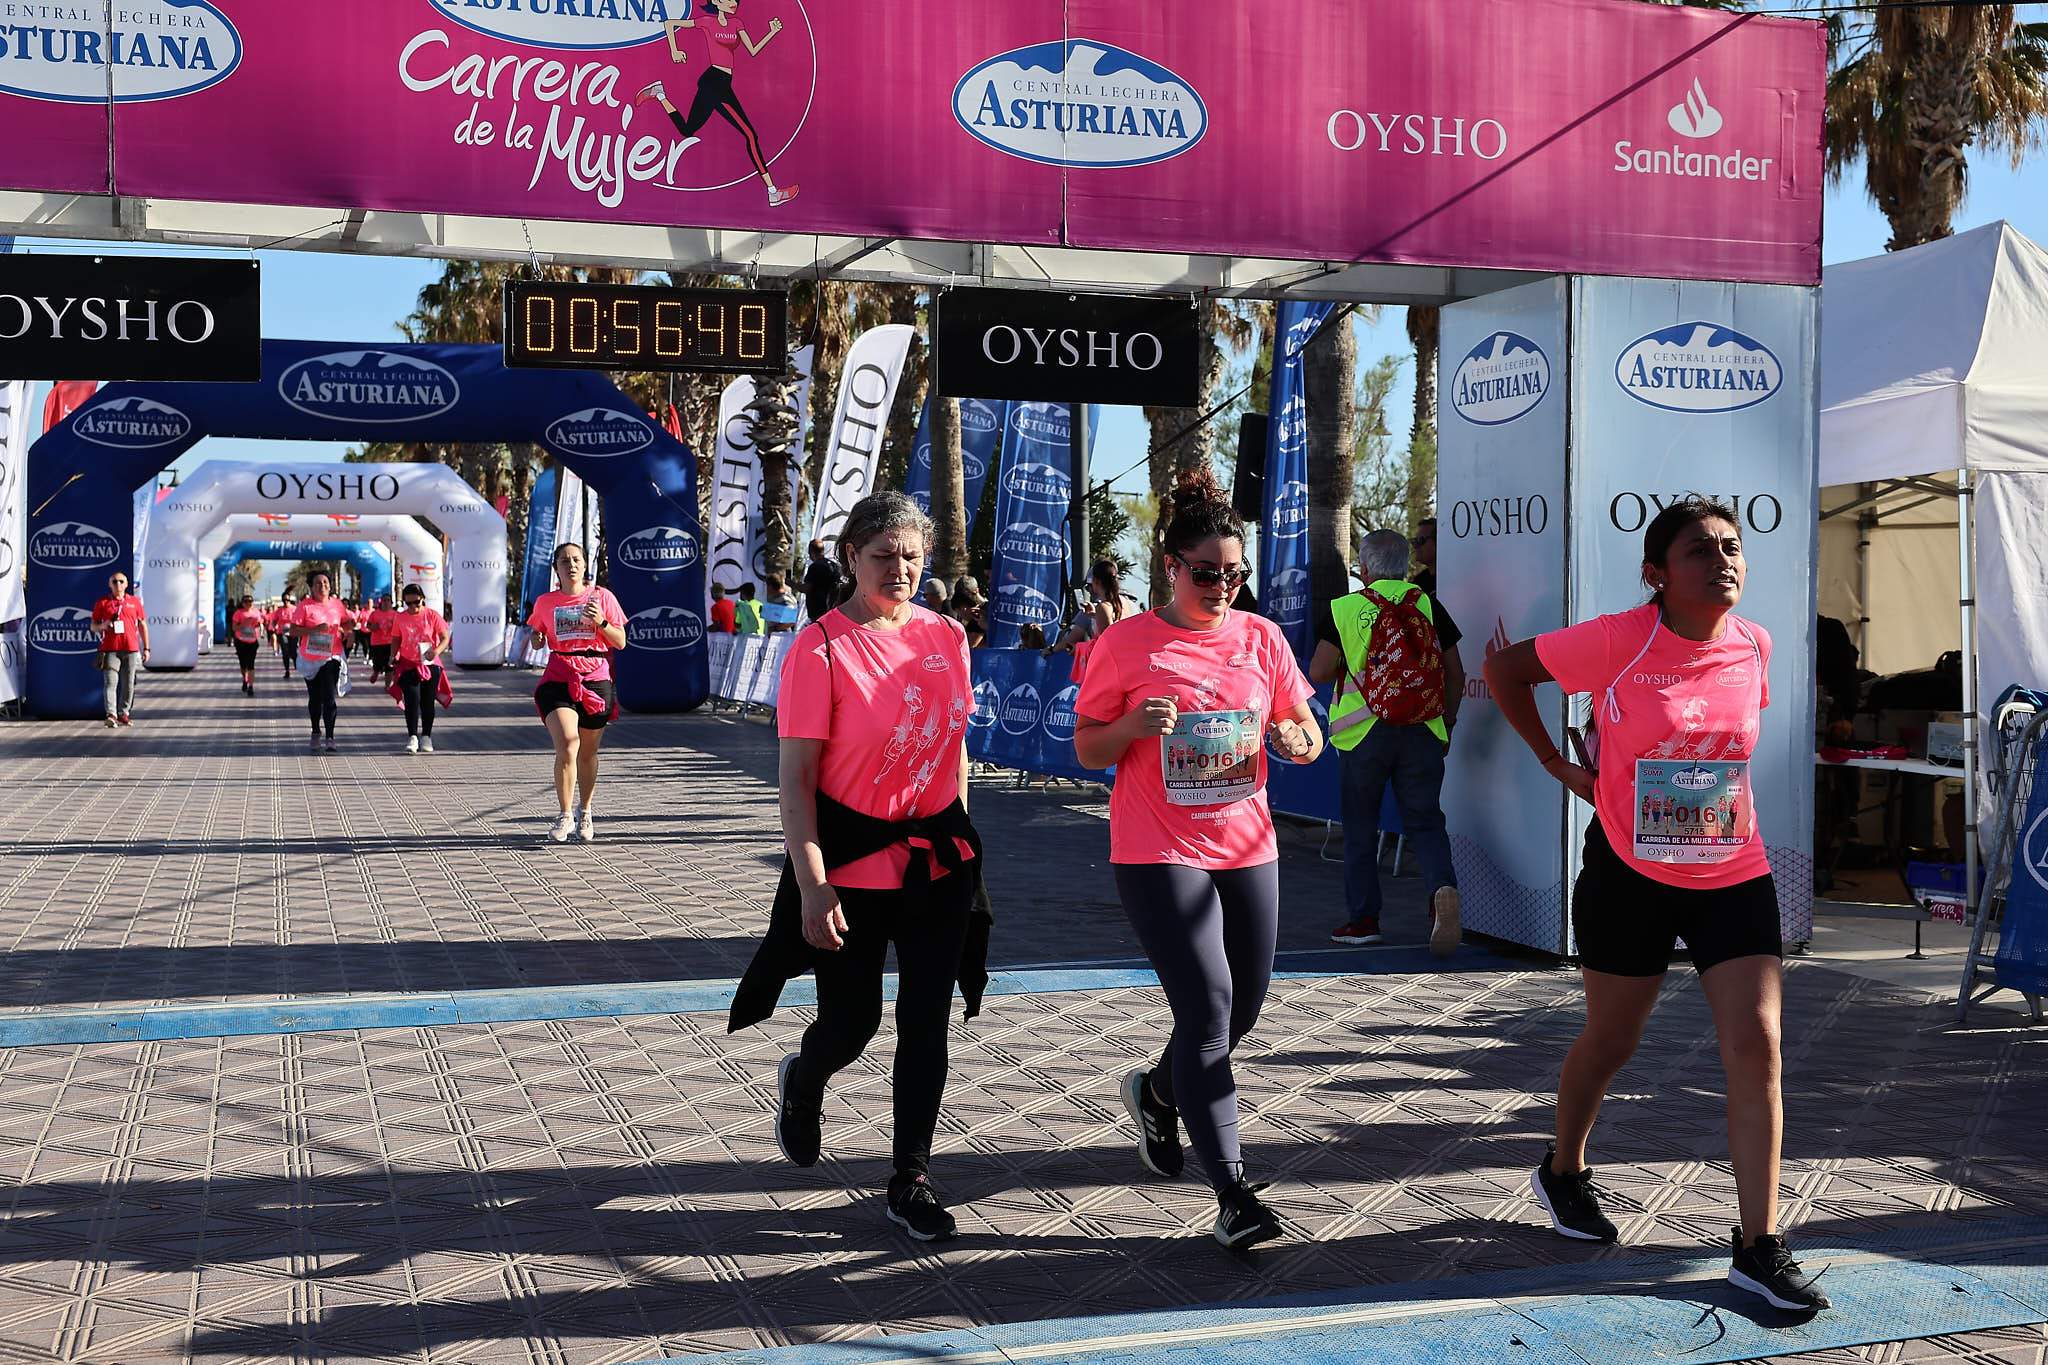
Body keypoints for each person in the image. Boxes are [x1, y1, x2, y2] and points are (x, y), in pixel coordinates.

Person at [1483, 495, 1828, 1314]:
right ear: (1656, 574)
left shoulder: (1756, 644)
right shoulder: (1617, 638)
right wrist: (1559, 766)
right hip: (1630, 870)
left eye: (1732, 547)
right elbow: (1505, 671)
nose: (1723, 561)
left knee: (1759, 1044)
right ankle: (1563, 1168)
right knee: (1612, 1039)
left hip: (1731, 867)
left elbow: (1721, 753)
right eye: (1700, 550)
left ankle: (1757, 1246)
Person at [1072, 468, 1322, 1251]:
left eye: (1234, 573)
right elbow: (1086, 748)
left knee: (1242, 1007)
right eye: (1206, 572)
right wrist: (1132, 728)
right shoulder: (1127, 643)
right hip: (1158, 849)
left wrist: (1296, 741)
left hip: (1248, 847)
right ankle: (1233, 1193)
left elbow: (1306, 731)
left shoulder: (1261, 638)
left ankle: (1155, 1089)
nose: (1222, 586)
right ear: (1172, 566)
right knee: (1209, 1011)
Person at [730, 490, 987, 1243]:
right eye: (884, 556)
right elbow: (796, 783)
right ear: (850, 558)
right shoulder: (822, 648)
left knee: (926, 1021)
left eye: (912, 555)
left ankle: (911, 1176)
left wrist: (959, 832)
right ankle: (804, 1078)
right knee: (853, 1023)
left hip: (939, 864)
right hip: (850, 870)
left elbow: (955, 746)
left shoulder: (947, 635)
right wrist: (813, 882)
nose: (901, 569)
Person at [1309, 530, 1463, 955]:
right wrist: (1446, 723)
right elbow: (1456, 673)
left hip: (1363, 736)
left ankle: (1363, 921)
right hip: (1423, 731)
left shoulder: (1345, 608)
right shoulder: (1429, 605)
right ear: (1406, 564)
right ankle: (1441, 893)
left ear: (1364, 569)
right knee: (1426, 823)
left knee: (1359, 827)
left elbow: (1320, 672)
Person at [637, 0, 800, 207]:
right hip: (714, 82)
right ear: (716, 1)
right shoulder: (707, 22)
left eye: (735, 0)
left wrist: (772, 32)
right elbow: (670, 24)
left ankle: (659, 94)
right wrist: (674, 50)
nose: (733, 3)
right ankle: (772, 192)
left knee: (687, 130)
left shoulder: (737, 24)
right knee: (750, 135)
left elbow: (753, 50)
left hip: (723, 84)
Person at [528, 542, 627, 843]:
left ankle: (585, 811)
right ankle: (564, 814)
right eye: (564, 561)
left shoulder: (602, 597)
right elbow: (535, 640)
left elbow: (620, 641)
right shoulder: (545, 602)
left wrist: (601, 622)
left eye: (576, 559)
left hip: (596, 676)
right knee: (568, 744)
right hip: (559, 675)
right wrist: (537, 636)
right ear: (556, 568)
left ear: (585, 565)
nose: (571, 565)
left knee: (587, 753)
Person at [387, 583, 451, 754]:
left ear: (423, 599)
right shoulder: (400, 617)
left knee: (427, 702)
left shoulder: (432, 615)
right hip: (408, 663)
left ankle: (427, 736)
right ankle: (413, 737)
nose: (413, 607)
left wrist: (436, 650)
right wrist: (393, 656)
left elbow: (445, 637)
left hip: (430, 664)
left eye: (416, 602)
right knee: (412, 700)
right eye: (408, 603)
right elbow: (395, 638)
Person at [291, 572, 350, 753]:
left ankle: (330, 737)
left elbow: (347, 622)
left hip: (332, 656)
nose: (322, 585)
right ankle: (316, 730)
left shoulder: (337, 604)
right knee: (315, 698)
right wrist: (314, 629)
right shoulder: (305, 606)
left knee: (329, 697)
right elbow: (293, 631)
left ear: (330, 586)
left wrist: (347, 630)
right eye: (318, 583)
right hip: (310, 658)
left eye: (325, 582)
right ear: (312, 587)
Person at [91, 570, 149, 727]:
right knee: (110, 682)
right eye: (115, 582)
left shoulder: (134, 602)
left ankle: (124, 713)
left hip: (130, 648)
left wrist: (146, 648)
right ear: (110, 584)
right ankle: (111, 714)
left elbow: (143, 624)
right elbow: (93, 626)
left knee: (129, 683)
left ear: (127, 584)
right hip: (110, 649)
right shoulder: (102, 602)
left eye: (121, 581)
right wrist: (102, 625)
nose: (118, 585)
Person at [229, 593, 266, 697]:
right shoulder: (238, 613)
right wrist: (243, 624)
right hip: (241, 641)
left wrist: (259, 626)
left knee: (251, 664)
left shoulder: (256, 612)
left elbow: (260, 623)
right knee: (242, 664)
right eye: (246, 601)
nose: (248, 603)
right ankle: (245, 680)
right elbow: (234, 628)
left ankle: (250, 686)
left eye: (250, 601)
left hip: (252, 641)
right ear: (242, 603)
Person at [803, 538, 844, 621]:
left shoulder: (815, 567)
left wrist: (791, 584)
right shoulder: (834, 566)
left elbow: (807, 588)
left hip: (818, 612)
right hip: (833, 610)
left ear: (811, 552)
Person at [367, 595, 398, 682]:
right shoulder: (375, 613)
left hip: (391, 643)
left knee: (390, 666)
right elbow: (368, 625)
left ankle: (388, 685)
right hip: (377, 643)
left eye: (388, 600)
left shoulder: (395, 614)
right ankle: (376, 672)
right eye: (384, 600)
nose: (386, 602)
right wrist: (372, 626)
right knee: (377, 663)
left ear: (391, 603)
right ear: (381, 602)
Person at [270, 592, 298, 679]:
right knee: (285, 652)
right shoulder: (279, 610)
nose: (286, 602)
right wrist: (274, 626)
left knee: (293, 652)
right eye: (284, 600)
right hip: (282, 633)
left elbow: (299, 620)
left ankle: (297, 665)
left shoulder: (295, 609)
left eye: (288, 600)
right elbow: (274, 620)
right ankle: (287, 670)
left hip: (293, 633)